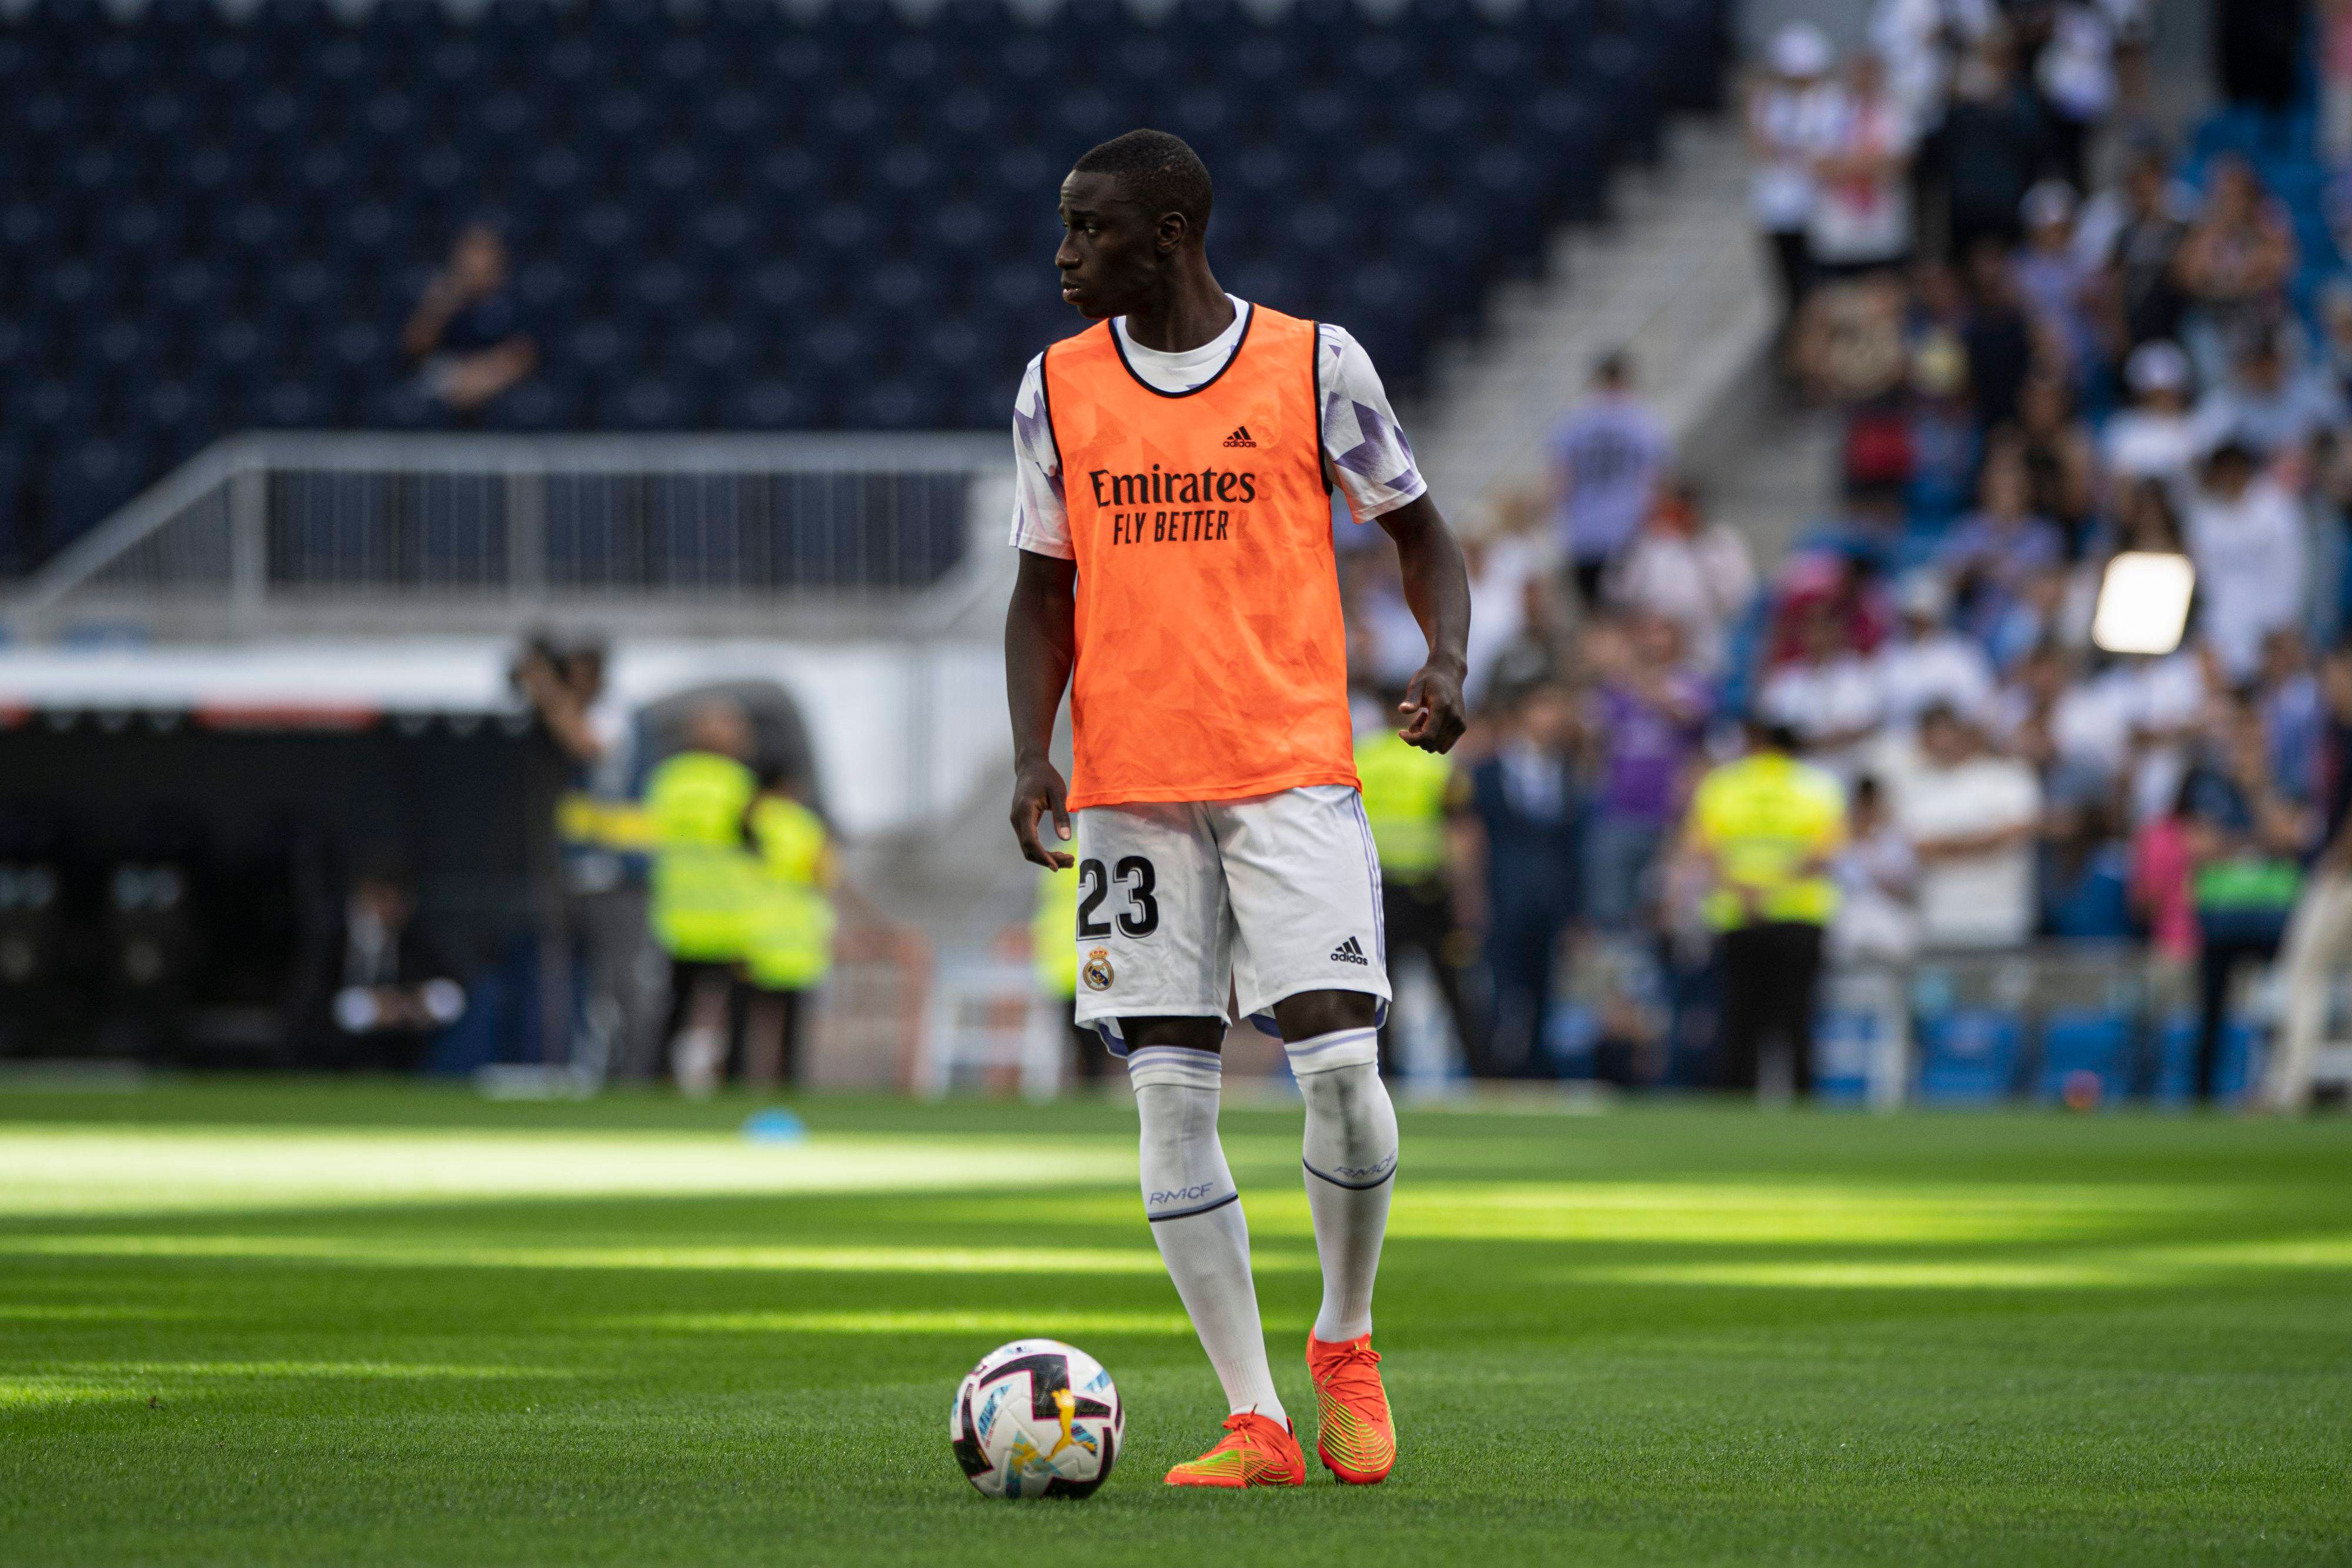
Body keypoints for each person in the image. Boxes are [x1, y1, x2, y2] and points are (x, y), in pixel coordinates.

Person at [1002, 129, 1470, 1490]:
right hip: (1132, 791)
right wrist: (1033, 751)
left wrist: (1443, 661)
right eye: (1064, 227)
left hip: (1288, 772)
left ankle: (1344, 1338)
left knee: (1337, 1069)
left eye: (1089, 230)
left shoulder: (1316, 364)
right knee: (1168, 1103)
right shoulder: (1051, 388)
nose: (1064, 255)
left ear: (1172, 229)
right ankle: (1255, 1418)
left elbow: (1422, 532)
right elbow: (1040, 590)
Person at [1685, 719, 1846, 1097]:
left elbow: (1703, 851)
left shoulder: (1724, 784)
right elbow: (1826, 852)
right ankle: (1803, 1102)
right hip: (1799, 913)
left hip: (1737, 913)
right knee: (1798, 1018)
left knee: (1740, 1019)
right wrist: (1775, 889)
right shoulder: (1817, 786)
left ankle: (1736, 1106)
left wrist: (1747, 891)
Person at [2182, 692, 2317, 1102]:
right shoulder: (2209, 784)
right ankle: (2201, 1099)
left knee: (2285, 1007)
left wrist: (2257, 792)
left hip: (2274, 916)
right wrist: (2260, 842)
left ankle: (2279, 1088)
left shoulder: (2285, 780)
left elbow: (2291, 837)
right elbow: (2200, 846)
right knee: (2209, 1015)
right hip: (2221, 916)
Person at [1457, 682, 1585, 1079]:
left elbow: (1574, 848)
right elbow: (1473, 838)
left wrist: (1577, 910)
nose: (1552, 718)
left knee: (1544, 989)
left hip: (1550, 900)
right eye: (1543, 707)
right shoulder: (1488, 771)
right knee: (1498, 987)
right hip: (1502, 896)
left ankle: (1537, 1070)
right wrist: (1472, 894)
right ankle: (1493, 1071)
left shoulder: (1568, 772)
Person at [1355, 694, 1477, 1077]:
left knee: (1379, 988)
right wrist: (1468, 896)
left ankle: (1384, 1073)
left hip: (1377, 891)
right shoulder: (1436, 759)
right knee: (1452, 988)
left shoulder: (1363, 756)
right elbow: (1461, 832)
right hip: (1429, 888)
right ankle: (1481, 1070)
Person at [644, 698, 760, 1097]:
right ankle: (732, 1083)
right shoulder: (739, 783)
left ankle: (660, 1078)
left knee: (674, 1007)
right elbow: (758, 847)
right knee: (737, 1012)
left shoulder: (667, 779)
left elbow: (647, 836)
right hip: (729, 920)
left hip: (677, 916)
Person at [2268, 642, 2352, 1109]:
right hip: (2334, 866)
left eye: (2338, 673)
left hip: (2342, 873)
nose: (2331, 685)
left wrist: (2337, 859)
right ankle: (2289, 1084)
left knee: (2305, 971)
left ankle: (2290, 1087)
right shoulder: (2334, 731)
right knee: (2305, 971)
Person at [288, 857, 466, 1072]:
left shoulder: (416, 938)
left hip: (401, 1058)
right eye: (380, 898)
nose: (387, 909)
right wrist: (369, 1008)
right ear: (362, 897)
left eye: (396, 901)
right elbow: (307, 1007)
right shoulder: (331, 937)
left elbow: (453, 990)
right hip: (332, 1058)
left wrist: (415, 1002)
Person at [1887, 702, 2043, 950]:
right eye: (1931, 734)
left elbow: (2020, 830)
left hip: (2002, 918)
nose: (1940, 742)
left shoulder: (2008, 775)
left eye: (1945, 732)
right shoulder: (1916, 785)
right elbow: (1922, 848)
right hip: (1940, 922)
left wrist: (1949, 846)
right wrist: (1987, 841)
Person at [1548, 351, 1669, 605]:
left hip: (1585, 531)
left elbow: (1561, 482)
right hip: (1627, 530)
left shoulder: (1576, 422)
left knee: (1593, 615)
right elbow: (1655, 481)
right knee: (1628, 613)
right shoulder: (1643, 422)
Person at [741, 773, 836, 1089]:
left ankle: (737, 1082)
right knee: (792, 1028)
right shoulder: (808, 826)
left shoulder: (750, 819)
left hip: (750, 937)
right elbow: (825, 876)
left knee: (745, 1022)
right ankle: (790, 1083)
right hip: (797, 942)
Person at [1604, 478, 1756, 674]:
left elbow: (1739, 601)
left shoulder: (1723, 543)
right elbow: (1619, 594)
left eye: (1686, 508)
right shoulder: (1650, 544)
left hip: (1706, 651)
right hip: (1655, 648)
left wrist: (1699, 548)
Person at [2183, 439, 2306, 680]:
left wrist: (2282, 623)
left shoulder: (2277, 509)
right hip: (2220, 626)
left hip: (2270, 624)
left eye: (2233, 469)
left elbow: (2290, 570)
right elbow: (2204, 581)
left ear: (2244, 469)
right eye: (2221, 470)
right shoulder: (2204, 517)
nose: (2227, 476)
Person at [1747, 23, 1840, 324]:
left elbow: (1824, 155)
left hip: (1820, 208)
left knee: (1819, 286)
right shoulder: (1770, 103)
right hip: (1778, 207)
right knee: (1787, 288)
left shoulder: (1832, 101)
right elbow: (1763, 149)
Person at [401, 223, 537, 417]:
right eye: (470, 254)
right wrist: (440, 306)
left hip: (493, 379)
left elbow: (522, 355)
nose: (476, 263)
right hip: (445, 376)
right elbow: (414, 348)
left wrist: (478, 378)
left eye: (484, 255)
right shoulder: (440, 296)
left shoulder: (515, 300)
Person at [1032, 862, 1111, 1088]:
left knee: (1082, 1038)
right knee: (1093, 1039)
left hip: (1069, 966)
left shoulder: (1059, 857)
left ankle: (1088, 1084)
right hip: (1092, 965)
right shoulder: (1098, 849)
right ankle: (1091, 1085)